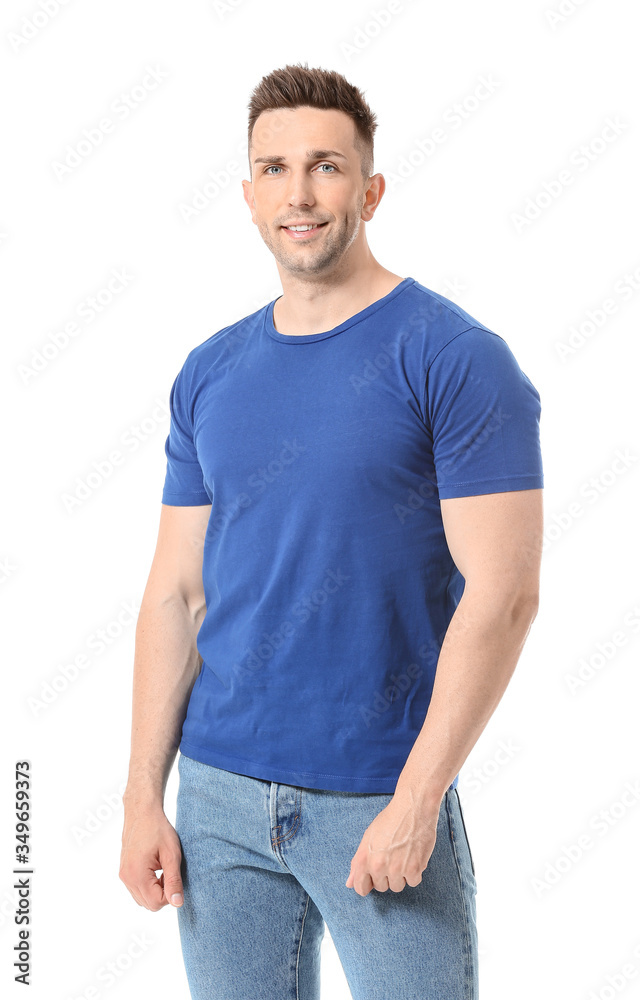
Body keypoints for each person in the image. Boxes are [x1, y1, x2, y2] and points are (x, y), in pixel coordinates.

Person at [119, 62, 544, 1000]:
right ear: (247, 193)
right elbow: (176, 592)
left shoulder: (455, 358)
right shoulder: (210, 371)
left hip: (381, 796)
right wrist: (143, 793)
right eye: (273, 169)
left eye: (325, 166)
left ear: (371, 189)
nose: (299, 194)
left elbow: (504, 596)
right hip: (220, 800)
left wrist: (420, 799)